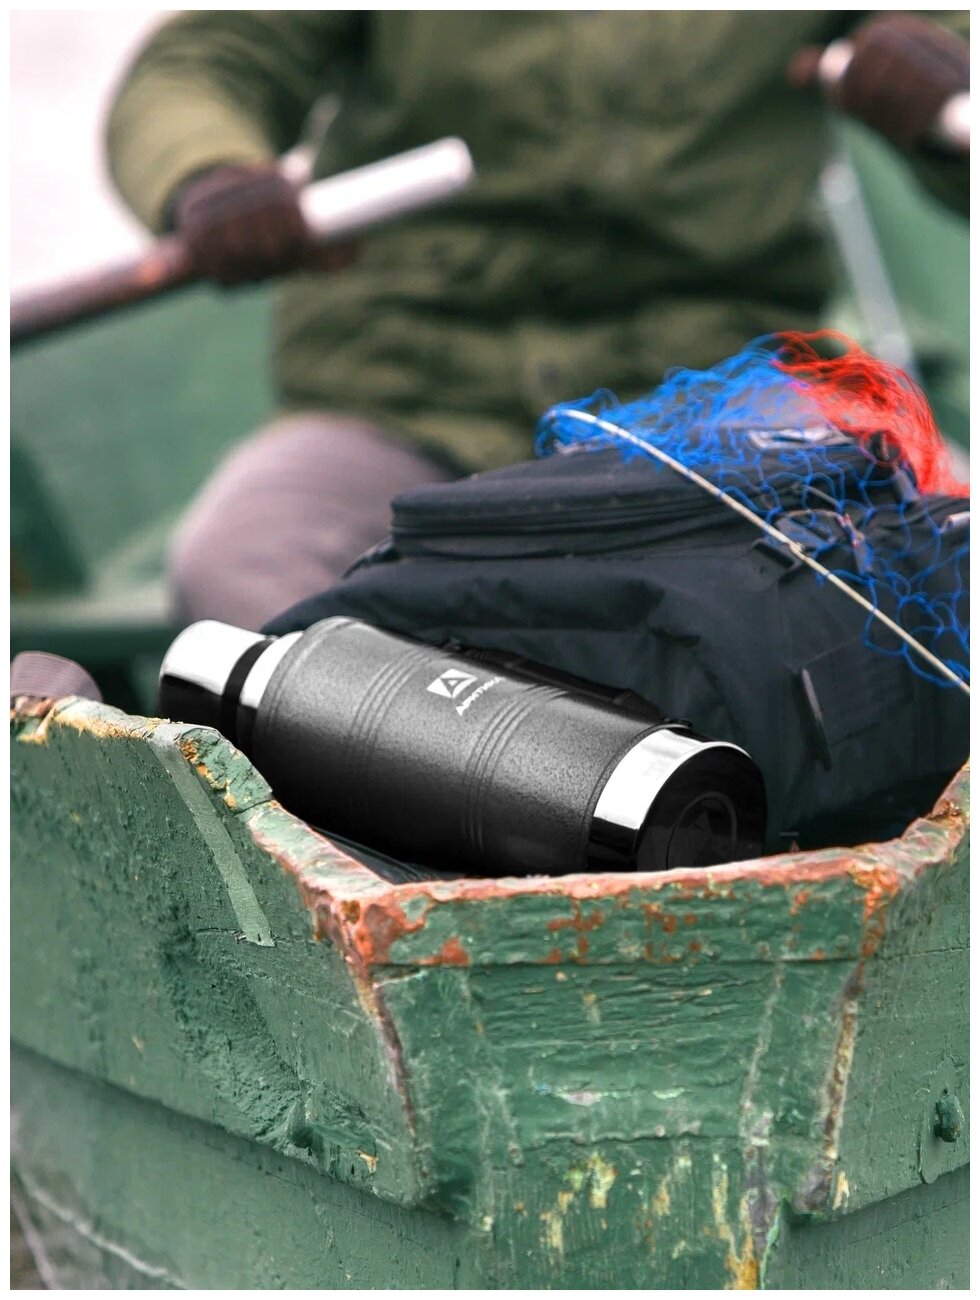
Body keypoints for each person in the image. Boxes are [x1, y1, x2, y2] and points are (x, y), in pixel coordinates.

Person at [106, 11, 968, 629]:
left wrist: (946, 85)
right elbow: (204, 62)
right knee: (239, 568)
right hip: (405, 390)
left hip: (716, 392)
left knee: (946, 550)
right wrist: (207, 171)